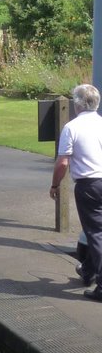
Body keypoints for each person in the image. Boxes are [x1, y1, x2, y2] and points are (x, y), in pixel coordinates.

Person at [50, 83, 102, 301]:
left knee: (96, 233)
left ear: (78, 104)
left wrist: (54, 185)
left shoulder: (72, 127)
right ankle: (88, 270)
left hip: (88, 185)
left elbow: (63, 162)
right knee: (96, 230)